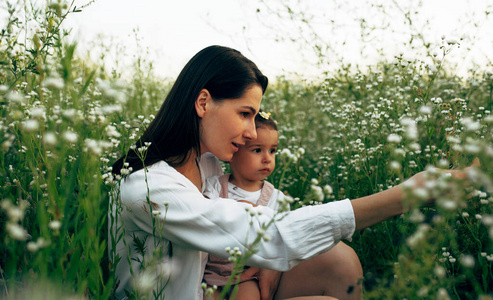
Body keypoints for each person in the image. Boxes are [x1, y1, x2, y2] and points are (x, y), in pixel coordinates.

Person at [109, 45, 472, 300]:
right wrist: (406, 195)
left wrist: (263, 263)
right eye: (245, 113)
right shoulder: (149, 189)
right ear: (203, 102)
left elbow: (252, 226)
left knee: (339, 260)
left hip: (222, 286)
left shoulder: (206, 165)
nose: (252, 132)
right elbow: (258, 235)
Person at [202, 110, 288, 299]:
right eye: (257, 150)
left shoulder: (276, 198)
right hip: (211, 275)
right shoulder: (215, 186)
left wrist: (261, 267)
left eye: (272, 150)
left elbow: (280, 239)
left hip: (248, 275)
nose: (267, 158)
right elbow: (207, 217)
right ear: (234, 152)